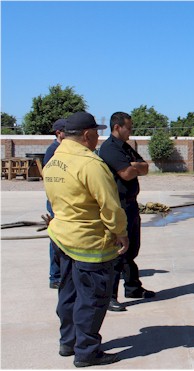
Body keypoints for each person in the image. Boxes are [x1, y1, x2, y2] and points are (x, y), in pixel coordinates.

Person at [43, 111, 128, 367]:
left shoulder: (54, 160)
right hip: (89, 243)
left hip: (62, 239)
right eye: (96, 134)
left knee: (68, 294)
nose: (98, 139)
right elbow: (110, 207)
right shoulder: (90, 164)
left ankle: (68, 342)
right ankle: (87, 351)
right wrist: (121, 232)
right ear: (88, 135)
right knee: (91, 300)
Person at [98, 112, 153, 312]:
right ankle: (110, 296)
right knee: (118, 252)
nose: (130, 131)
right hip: (119, 205)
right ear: (116, 127)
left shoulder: (125, 148)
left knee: (131, 250)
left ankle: (133, 288)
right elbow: (127, 174)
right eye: (128, 128)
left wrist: (134, 166)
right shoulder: (110, 148)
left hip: (131, 205)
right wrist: (134, 167)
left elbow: (145, 167)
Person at [42, 118, 67, 289]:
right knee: (56, 240)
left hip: (62, 200)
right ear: (58, 132)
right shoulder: (53, 151)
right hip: (56, 201)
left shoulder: (62, 149)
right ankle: (55, 276)